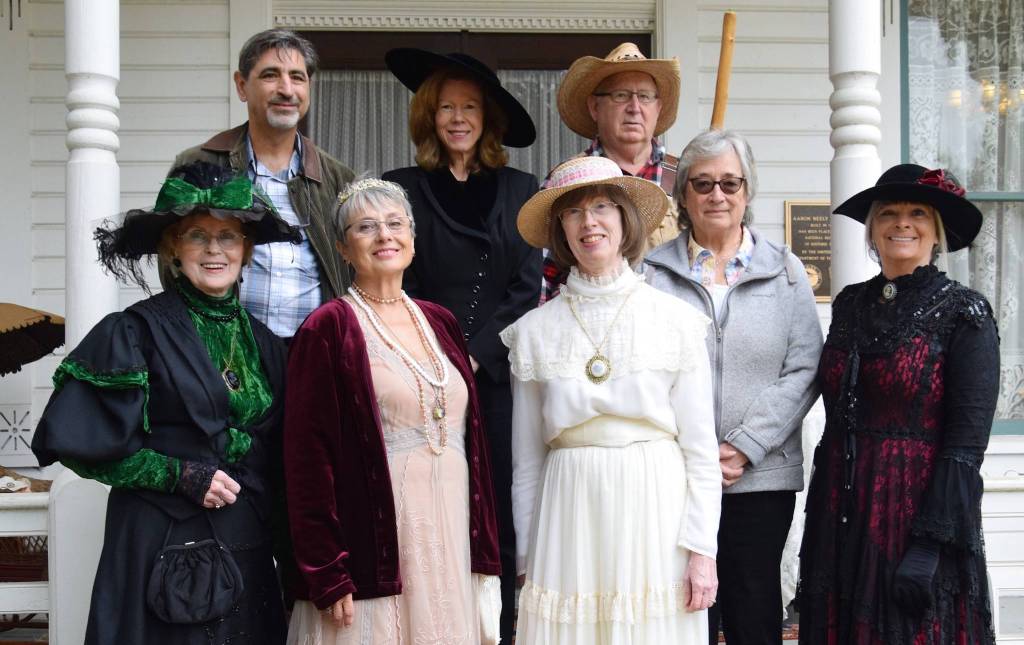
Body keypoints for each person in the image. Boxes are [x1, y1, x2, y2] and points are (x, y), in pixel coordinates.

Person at [31, 161, 300, 644]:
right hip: (164, 547)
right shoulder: (135, 332)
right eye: (198, 235)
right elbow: (80, 445)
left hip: (248, 547)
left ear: (246, 249)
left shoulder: (266, 344)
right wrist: (178, 475)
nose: (215, 249)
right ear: (173, 247)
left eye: (228, 236)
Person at [501, 155, 721, 643]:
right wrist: (527, 557)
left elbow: (701, 452)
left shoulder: (676, 321)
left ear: (625, 218)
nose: (589, 222)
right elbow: (527, 461)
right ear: (561, 229)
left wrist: (702, 550)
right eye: (573, 212)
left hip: (656, 510)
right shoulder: (533, 333)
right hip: (568, 514)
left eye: (602, 206)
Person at [284, 178, 503, 644]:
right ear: (343, 248)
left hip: (451, 529)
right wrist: (327, 571)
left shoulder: (440, 321)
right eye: (366, 227)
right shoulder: (328, 327)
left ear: (412, 239)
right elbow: (306, 461)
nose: (384, 235)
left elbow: (474, 443)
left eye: (394, 223)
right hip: (379, 539)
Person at [799, 164, 999, 644]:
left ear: (937, 231)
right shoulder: (849, 304)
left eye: (917, 213)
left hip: (913, 515)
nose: (902, 223)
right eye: (888, 212)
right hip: (840, 510)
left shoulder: (964, 312)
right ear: (872, 229)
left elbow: (966, 445)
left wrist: (930, 544)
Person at [380, 47, 541, 640]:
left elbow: (525, 288)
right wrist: (440, 355)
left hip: (496, 380)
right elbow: (399, 280)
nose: (457, 118)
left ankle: (498, 628)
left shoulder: (522, 189)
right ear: (429, 115)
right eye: (446, 107)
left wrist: (475, 354)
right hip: (421, 374)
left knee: (497, 504)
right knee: (429, 505)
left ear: (487, 117)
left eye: (469, 107)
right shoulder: (400, 189)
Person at [644, 129, 823, 645]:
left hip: (760, 478)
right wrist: (693, 452)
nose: (716, 195)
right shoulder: (651, 273)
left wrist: (745, 445)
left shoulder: (785, 270)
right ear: (683, 195)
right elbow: (643, 371)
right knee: (683, 613)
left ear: (748, 191)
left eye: (730, 183)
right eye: (702, 184)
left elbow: (805, 368)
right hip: (675, 476)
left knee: (753, 612)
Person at [171, 29, 355, 340]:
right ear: (242, 86)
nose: (287, 89)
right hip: (224, 350)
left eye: (297, 77)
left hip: (313, 353)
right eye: (271, 75)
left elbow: (353, 269)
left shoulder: (337, 178)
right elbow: (171, 260)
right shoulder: (200, 163)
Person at [541, 42, 682, 301]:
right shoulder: (567, 179)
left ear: (658, 107)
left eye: (645, 96)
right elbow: (546, 277)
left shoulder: (685, 177)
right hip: (589, 320)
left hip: (669, 322)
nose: (635, 107)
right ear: (594, 107)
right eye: (621, 95)